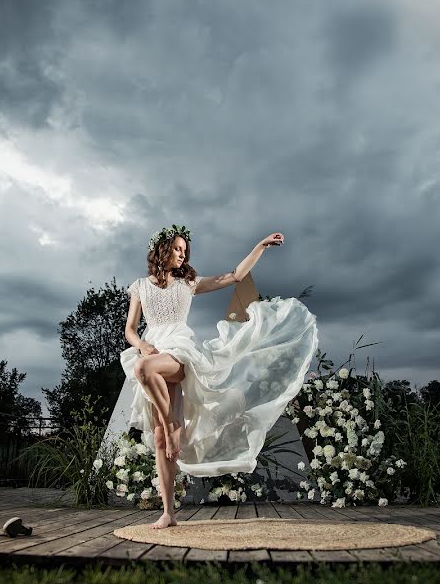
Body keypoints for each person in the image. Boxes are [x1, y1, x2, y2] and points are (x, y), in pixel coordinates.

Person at [120, 225, 318, 529]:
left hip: (179, 353)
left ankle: (174, 425)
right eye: (177, 248)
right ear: (162, 249)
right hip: (152, 351)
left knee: (143, 370)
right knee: (159, 438)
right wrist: (143, 344)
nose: (182, 254)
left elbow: (234, 276)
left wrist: (260, 246)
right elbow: (130, 330)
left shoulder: (188, 283)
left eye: (185, 250)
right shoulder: (140, 286)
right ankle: (168, 513)